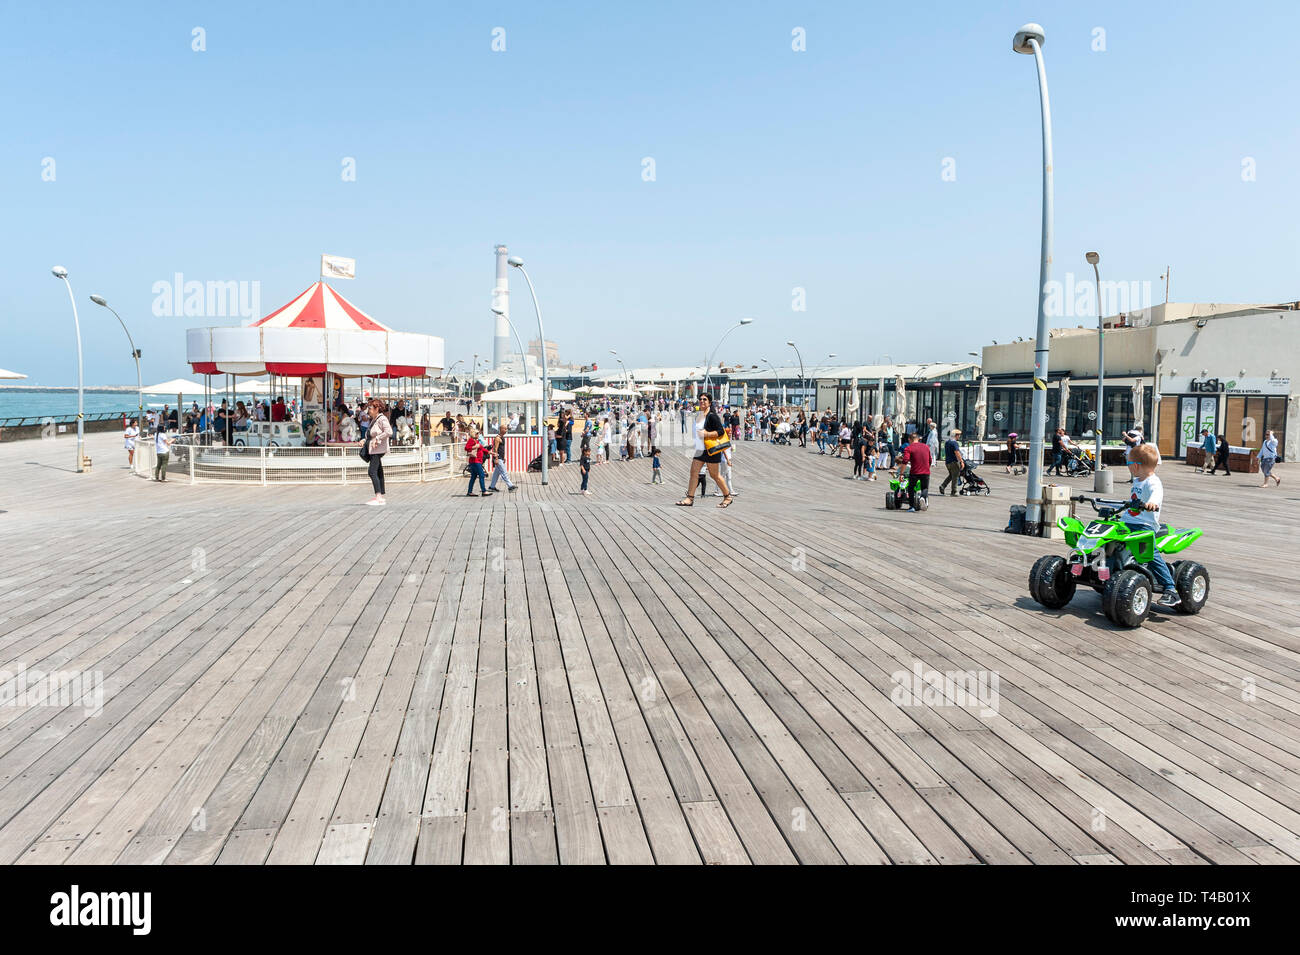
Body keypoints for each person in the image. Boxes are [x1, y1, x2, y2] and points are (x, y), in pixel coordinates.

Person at [1123, 444, 1180, 608]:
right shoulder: (1137, 480)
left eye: (1128, 464)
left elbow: (1156, 495)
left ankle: (1170, 589)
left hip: (1144, 525)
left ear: (1135, 466)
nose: (1128, 467)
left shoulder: (1153, 482)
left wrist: (1152, 503)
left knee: (1149, 553)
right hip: (1128, 522)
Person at [676, 393, 733, 508]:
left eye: (705, 399)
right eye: (700, 399)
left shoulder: (712, 416)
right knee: (693, 472)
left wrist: (706, 434)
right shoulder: (698, 416)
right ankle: (689, 498)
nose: (702, 401)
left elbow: (721, 432)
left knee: (714, 475)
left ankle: (728, 496)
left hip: (711, 449)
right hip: (699, 449)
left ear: (709, 403)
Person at [364, 398, 392, 506]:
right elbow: (371, 434)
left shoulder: (381, 419)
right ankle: (380, 496)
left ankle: (378, 496)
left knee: (372, 471)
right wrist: (364, 440)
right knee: (379, 471)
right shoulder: (374, 419)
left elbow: (388, 431)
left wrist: (378, 438)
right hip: (375, 448)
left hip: (377, 449)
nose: (369, 411)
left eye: (370, 408)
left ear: (377, 409)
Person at [895, 432, 932, 507]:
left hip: (915, 471)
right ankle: (922, 497)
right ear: (918, 439)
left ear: (909, 439)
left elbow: (905, 461)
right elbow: (930, 460)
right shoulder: (926, 447)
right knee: (924, 488)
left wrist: (901, 474)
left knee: (911, 488)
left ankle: (912, 507)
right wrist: (927, 468)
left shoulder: (909, 448)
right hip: (925, 471)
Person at [487, 425, 517, 493]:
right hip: (498, 458)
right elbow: (495, 449)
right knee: (504, 472)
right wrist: (496, 458)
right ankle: (510, 486)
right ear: (501, 429)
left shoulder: (502, 438)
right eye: (505, 429)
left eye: (506, 429)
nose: (506, 430)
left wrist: (504, 457)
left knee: (496, 474)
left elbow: (502, 449)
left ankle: (492, 487)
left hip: (501, 458)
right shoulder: (497, 438)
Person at [939, 428, 965, 496]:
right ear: (955, 435)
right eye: (958, 435)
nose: (959, 436)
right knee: (955, 476)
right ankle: (954, 491)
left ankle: (943, 486)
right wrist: (961, 461)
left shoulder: (947, 442)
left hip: (948, 462)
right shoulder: (954, 443)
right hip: (954, 462)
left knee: (951, 475)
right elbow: (957, 452)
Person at [465, 427, 488, 496]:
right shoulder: (471, 440)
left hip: (475, 461)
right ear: (474, 434)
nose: (479, 434)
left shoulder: (476, 441)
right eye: (477, 433)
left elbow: (482, 448)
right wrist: (474, 447)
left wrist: (490, 452)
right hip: (475, 461)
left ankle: (469, 492)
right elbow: (466, 448)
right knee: (481, 475)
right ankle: (484, 491)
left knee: (473, 476)